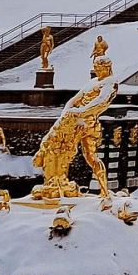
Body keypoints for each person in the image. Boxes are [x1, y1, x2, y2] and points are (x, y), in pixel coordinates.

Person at [32, 56, 118, 199]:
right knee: (88, 156)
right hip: (75, 118)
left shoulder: (111, 83)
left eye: (99, 69)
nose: (97, 71)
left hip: (87, 122)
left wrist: (80, 112)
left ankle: (53, 170)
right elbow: (74, 99)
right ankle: (56, 178)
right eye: (95, 68)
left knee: (69, 148)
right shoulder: (93, 82)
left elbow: (101, 103)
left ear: (107, 67)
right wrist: (68, 111)